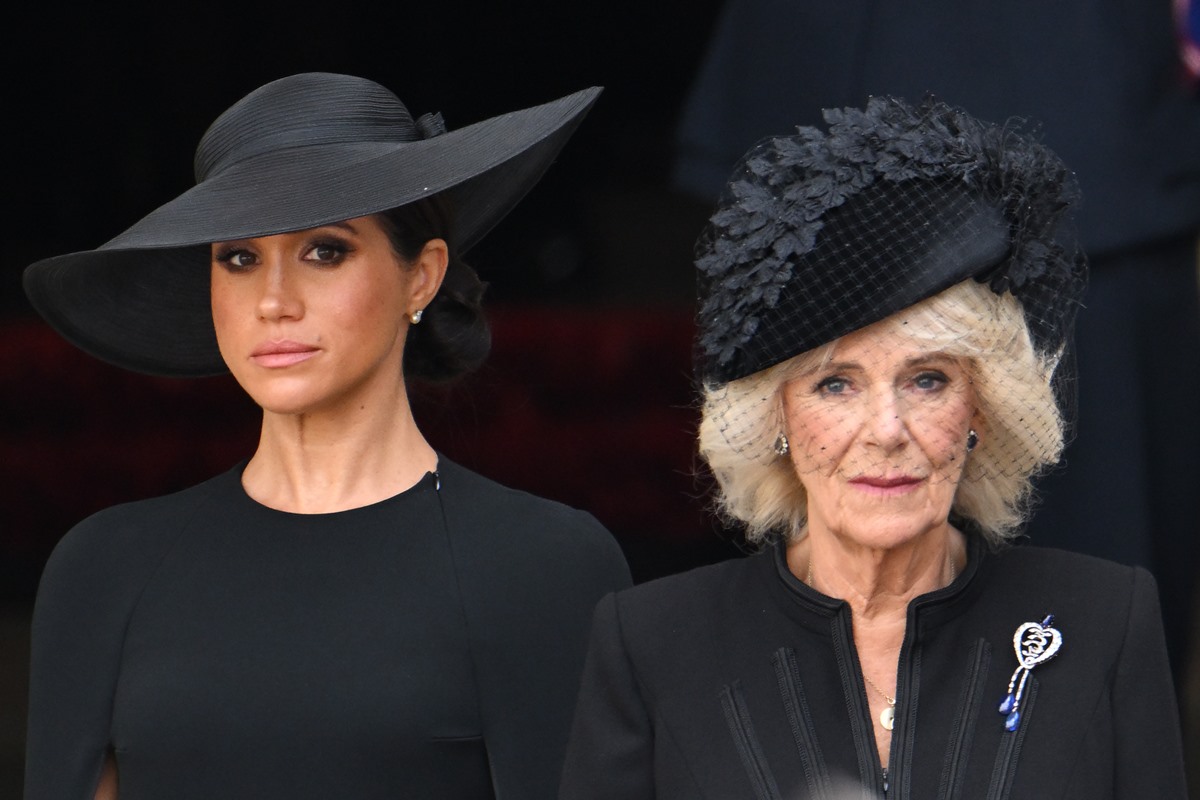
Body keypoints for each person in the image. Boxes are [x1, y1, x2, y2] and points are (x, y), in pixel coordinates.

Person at [22, 72, 631, 800]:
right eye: (239, 258)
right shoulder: (104, 569)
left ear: (422, 278)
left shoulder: (545, 564)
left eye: (324, 250)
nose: (274, 300)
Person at [559, 97, 1186, 798]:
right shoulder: (651, 643)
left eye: (927, 379)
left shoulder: (1106, 620)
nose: (886, 430)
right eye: (835, 385)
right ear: (776, 416)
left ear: (983, 407)